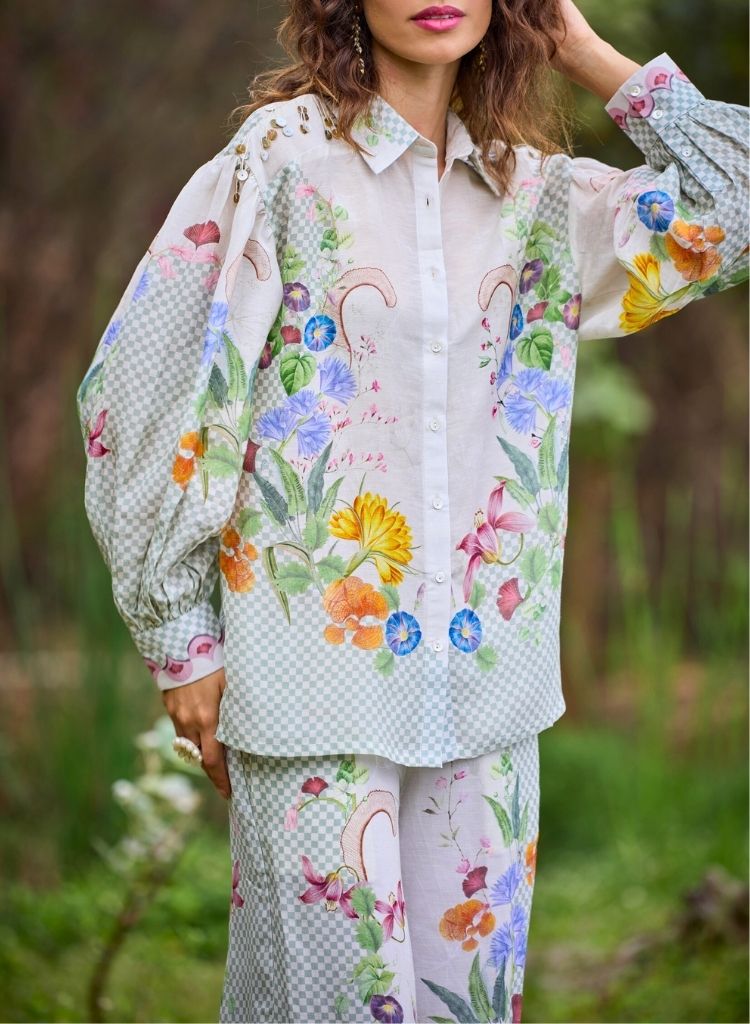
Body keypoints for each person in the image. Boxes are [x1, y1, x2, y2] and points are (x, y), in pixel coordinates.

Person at [75, 0, 749, 1021]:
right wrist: (181, 637)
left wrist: (579, 48)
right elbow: (151, 380)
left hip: (490, 694)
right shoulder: (283, 161)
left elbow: (733, 204)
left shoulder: (536, 197)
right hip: (310, 688)